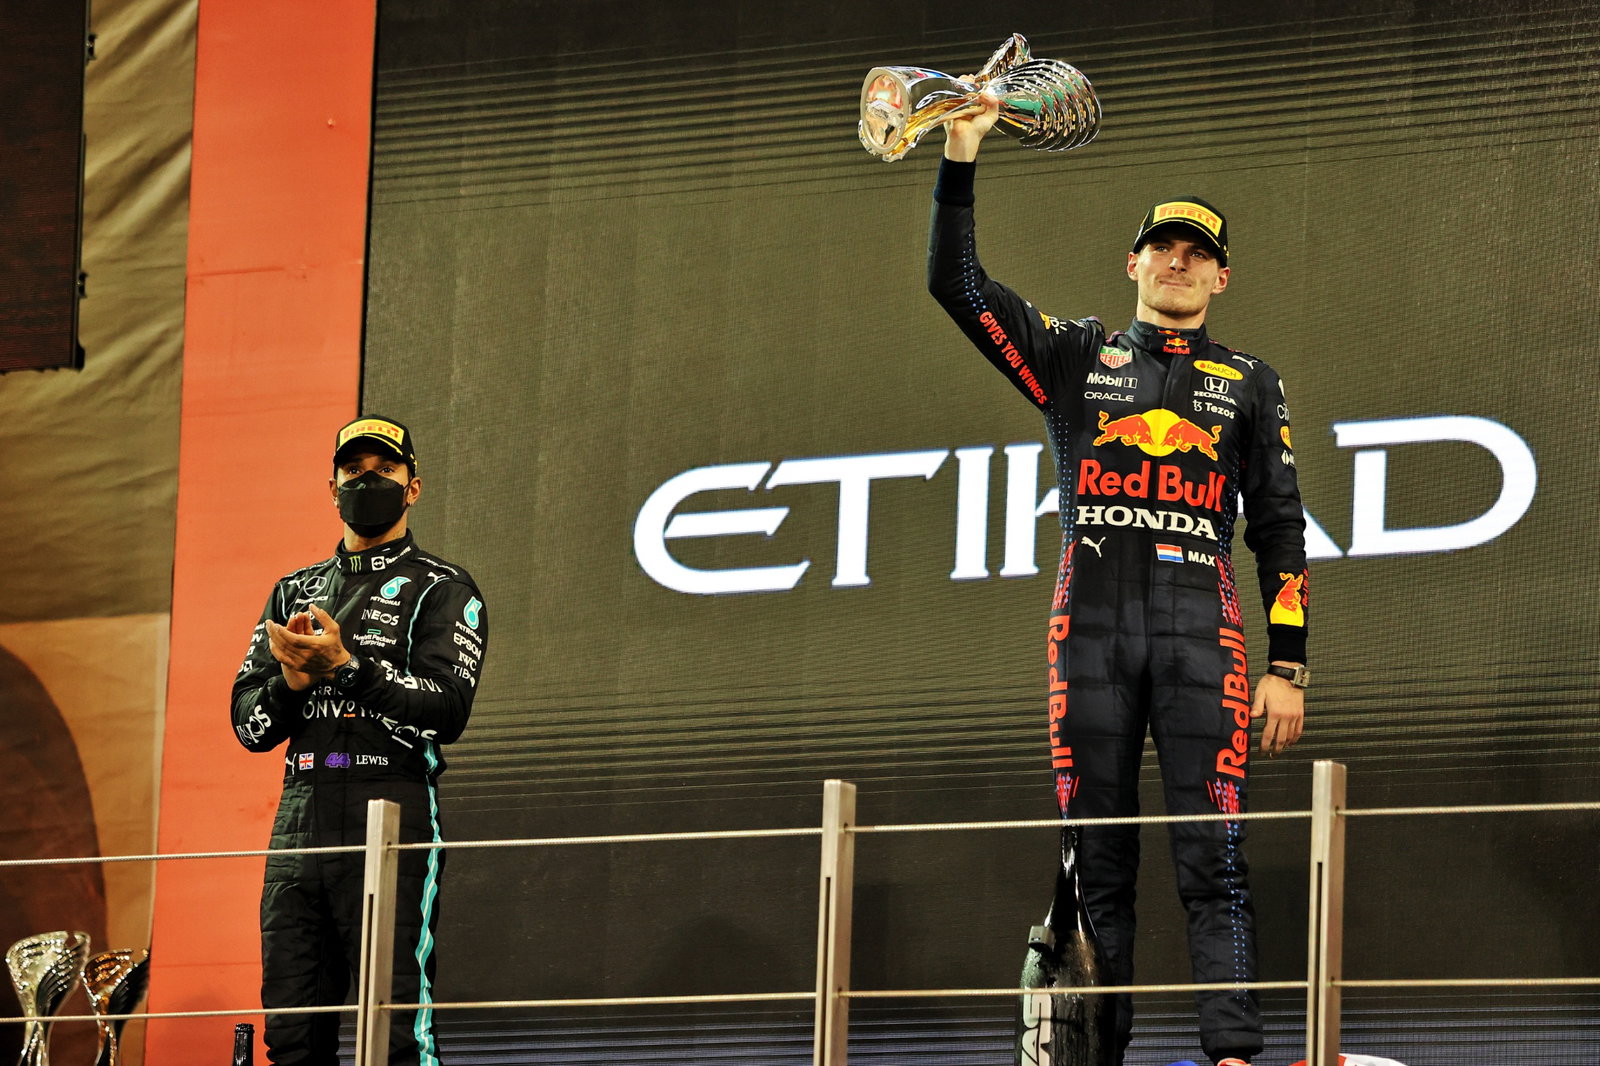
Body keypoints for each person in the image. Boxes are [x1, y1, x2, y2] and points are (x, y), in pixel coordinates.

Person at [926, 95, 1309, 1066]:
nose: (1177, 261)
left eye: (1196, 252)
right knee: (1095, 865)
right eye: (1161, 247)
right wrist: (962, 152)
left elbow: (1278, 528)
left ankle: (1232, 1055)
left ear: (1220, 276)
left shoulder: (1250, 382)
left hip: (1203, 638)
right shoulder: (1073, 356)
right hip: (1087, 635)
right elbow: (956, 285)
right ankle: (1098, 1057)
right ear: (1132, 263)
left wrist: (1288, 666)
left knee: (1214, 856)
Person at [231, 416, 489, 1065]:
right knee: (291, 1035)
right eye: (353, 471)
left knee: (395, 1030)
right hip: (300, 814)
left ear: (413, 487)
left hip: (391, 804)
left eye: (384, 471)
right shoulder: (292, 590)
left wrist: (348, 668)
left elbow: (448, 709)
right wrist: (291, 683)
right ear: (332, 487)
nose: (366, 482)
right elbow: (248, 725)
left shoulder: (443, 588)